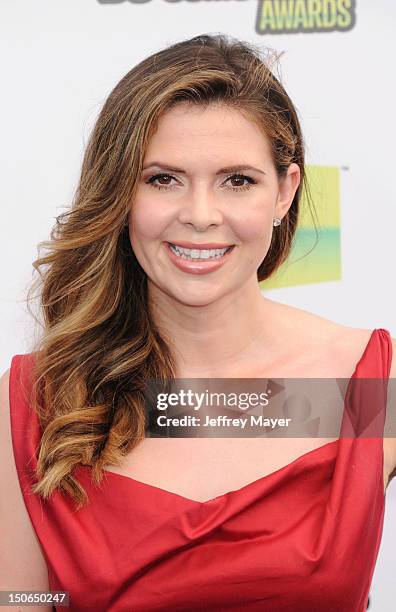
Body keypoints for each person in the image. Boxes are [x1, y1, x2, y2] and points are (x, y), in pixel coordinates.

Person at [0, 33, 395, 612]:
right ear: (120, 194)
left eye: (238, 180)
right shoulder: (39, 401)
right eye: (163, 178)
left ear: (286, 192)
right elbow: (23, 596)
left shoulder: (367, 386)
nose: (200, 215)